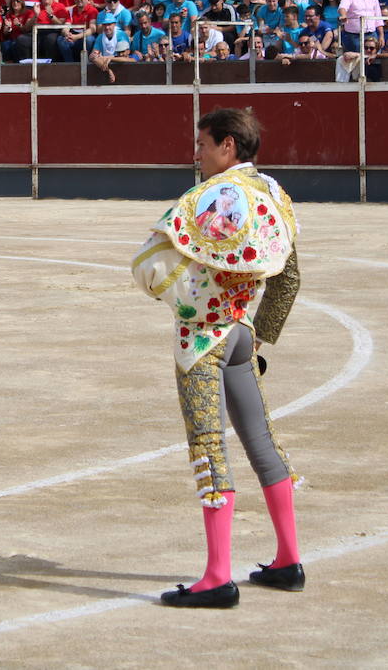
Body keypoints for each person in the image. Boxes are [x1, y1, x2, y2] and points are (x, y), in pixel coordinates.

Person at [133, 106, 303, 608]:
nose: (197, 154)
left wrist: (189, 302)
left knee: (210, 449)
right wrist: (260, 336)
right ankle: (288, 560)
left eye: (203, 144)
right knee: (263, 443)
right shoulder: (274, 194)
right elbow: (289, 279)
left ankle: (216, 577)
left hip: (203, 340)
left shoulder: (206, 198)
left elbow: (148, 265)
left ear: (228, 145)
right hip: (242, 334)